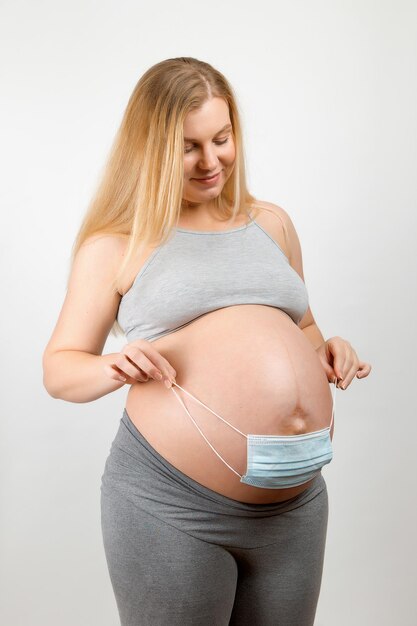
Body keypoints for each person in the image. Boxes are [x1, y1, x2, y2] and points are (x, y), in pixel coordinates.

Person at [42, 57, 371, 626]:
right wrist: (115, 365)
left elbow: (302, 328)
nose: (210, 160)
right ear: (151, 147)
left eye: (222, 139)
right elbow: (59, 369)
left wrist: (328, 350)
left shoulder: (271, 224)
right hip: (172, 504)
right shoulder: (118, 244)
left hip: (295, 507)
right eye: (188, 146)